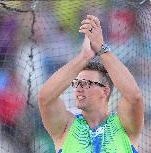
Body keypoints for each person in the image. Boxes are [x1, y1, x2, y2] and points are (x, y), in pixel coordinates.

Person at [38, 15, 144, 153]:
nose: (79, 88)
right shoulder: (66, 126)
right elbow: (45, 98)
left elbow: (134, 96)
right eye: (77, 83)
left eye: (86, 83)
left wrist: (101, 48)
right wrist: (84, 57)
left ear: (105, 91)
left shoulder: (124, 125)